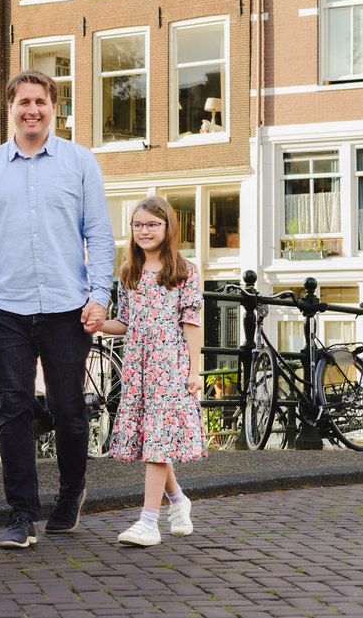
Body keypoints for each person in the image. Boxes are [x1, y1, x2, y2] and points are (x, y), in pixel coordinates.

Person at [0, 69, 115, 548]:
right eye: (23, 102)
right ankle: (22, 514)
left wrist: (99, 296)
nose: (32, 110)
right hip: (5, 308)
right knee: (12, 410)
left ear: (54, 108)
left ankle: (70, 494)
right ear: (10, 108)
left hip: (68, 307)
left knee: (69, 408)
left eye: (40, 102)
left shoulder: (80, 162)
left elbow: (99, 234)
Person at [100, 195, 206, 547]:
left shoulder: (184, 271)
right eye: (138, 225)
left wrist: (194, 371)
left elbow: (191, 322)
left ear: (167, 227)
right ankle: (178, 499)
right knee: (153, 441)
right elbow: (125, 322)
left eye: (152, 224)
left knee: (157, 440)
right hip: (138, 367)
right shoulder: (128, 272)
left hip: (169, 365)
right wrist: (96, 325)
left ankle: (148, 522)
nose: (144, 231)